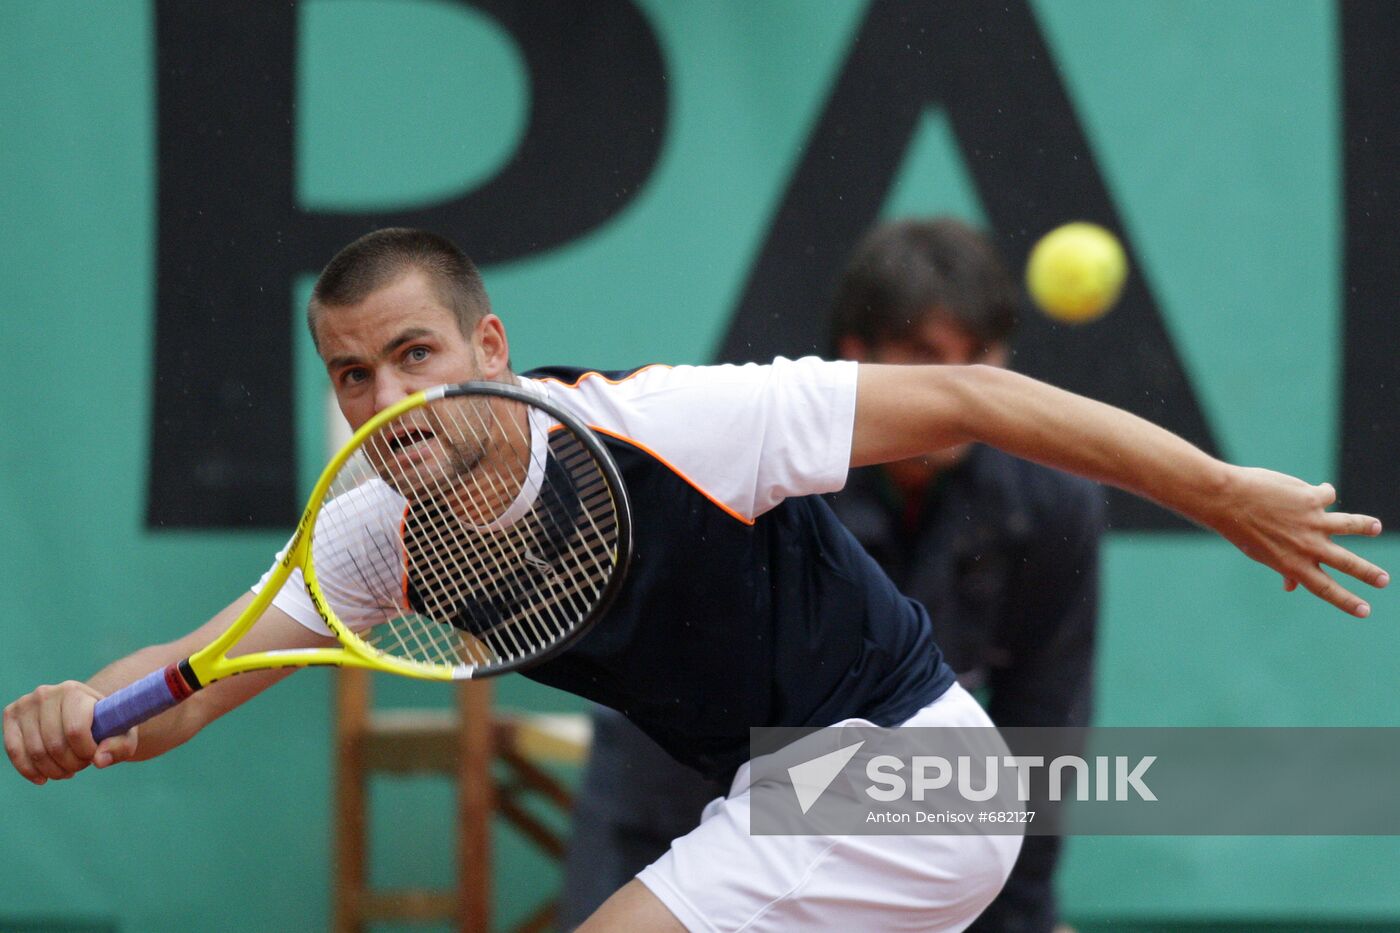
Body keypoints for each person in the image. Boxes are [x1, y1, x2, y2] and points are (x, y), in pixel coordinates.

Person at [4, 228, 1386, 933]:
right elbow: (195, 676)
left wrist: (1218, 492)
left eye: (415, 355)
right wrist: (83, 706)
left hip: (904, 766)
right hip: (777, 795)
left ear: (487, 341)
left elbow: (969, 394)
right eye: (352, 373)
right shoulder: (377, 532)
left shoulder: (670, 425)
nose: (385, 397)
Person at [559, 217, 1101, 932]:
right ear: (858, 355)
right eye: (928, 355)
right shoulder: (762, 463)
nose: (966, 387)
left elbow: (1040, 730)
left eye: (982, 357)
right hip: (682, 789)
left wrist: (1015, 918)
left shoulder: (1054, 503)